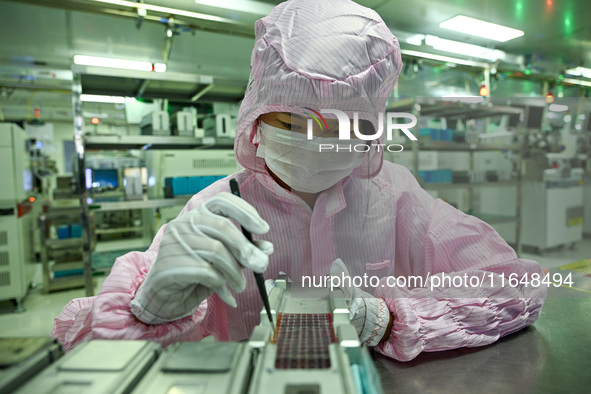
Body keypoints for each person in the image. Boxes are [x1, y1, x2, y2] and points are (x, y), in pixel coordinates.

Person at [52, 0, 546, 362]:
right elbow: (94, 356)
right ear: (258, 118)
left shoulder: (395, 198)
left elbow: (516, 286)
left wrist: (387, 318)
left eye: (343, 124)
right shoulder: (217, 210)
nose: (319, 141)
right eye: (296, 120)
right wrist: (147, 312)